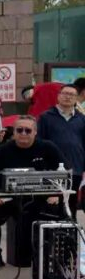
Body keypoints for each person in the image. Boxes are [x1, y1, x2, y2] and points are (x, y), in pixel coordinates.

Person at [0, 115, 67, 268]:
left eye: (28, 130)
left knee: (58, 214)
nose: (23, 134)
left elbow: (65, 171)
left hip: (40, 198)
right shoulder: (2, 151)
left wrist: (56, 194)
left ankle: (48, 257)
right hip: (8, 198)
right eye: (19, 130)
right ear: (13, 132)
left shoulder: (47, 147)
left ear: (35, 132)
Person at [37, 84, 85, 215]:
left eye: (72, 95)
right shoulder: (46, 117)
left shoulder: (81, 119)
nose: (68, 97)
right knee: (52, 206)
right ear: (58, 96)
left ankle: (70, 227)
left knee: (71, 205)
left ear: (76, 98)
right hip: (52, 170)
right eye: (65, 93)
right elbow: (39, 142)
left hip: (75, 168)